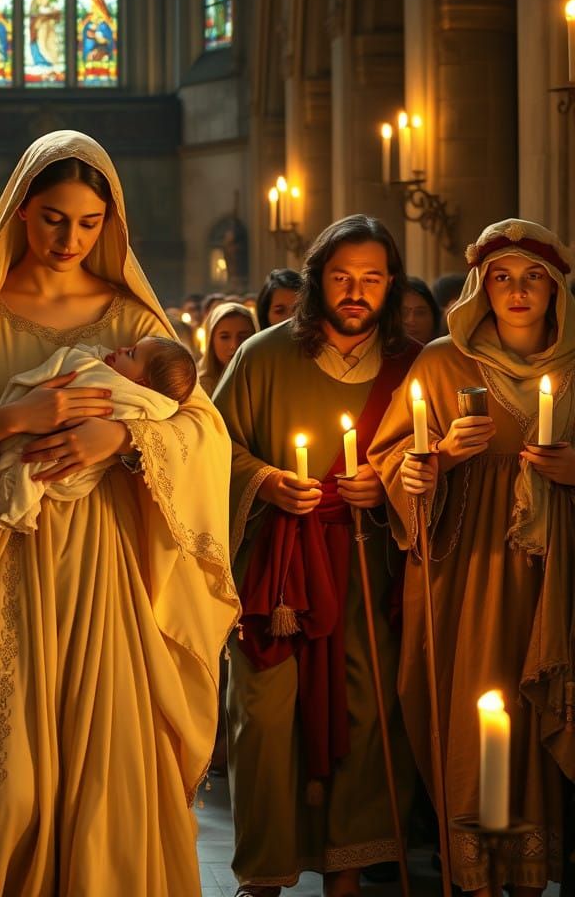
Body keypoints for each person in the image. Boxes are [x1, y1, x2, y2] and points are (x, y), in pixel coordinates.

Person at [0, 131, 239, 895]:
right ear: (20, 215)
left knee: (110, 776)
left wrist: (126, 434)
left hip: (105, 571)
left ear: (112, 223)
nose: (70, 239)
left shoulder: (134, 323)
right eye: (53, 219)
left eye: (90, 221)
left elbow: (203, 431)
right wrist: (8, 419)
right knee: (1, 786)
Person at [213, 215, 421, 897]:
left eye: (371, 278)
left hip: (370, 566)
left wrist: (387, 480)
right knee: (266, 719)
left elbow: (436, 458)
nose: (356, 291)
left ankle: (348, 868)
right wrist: (267, 481)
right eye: (341, 277)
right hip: (279, 569)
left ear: (391, 284)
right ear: (317, 282)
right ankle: (264, 874)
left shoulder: (412, 366)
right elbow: (211, 446)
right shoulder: (264, 356)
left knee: (367, 710)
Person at [369, 219, 575, 894]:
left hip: (556, 574)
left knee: (540, 706)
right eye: (502, 277)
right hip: (470, 574)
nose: (518, 291)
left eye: (533, 276)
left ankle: (535, 866)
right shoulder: (442, 362)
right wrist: (436, 461)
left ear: (557, 289)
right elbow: (393, 456)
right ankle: (479, 870)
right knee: (479, 709)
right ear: (482, 288)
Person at [0, 335, 198, 532]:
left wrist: (121, 437)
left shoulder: (148, 384)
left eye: (131, 353)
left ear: (143, 384)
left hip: (97, 518)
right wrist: (15, 416)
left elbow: (192, 432)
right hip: (24, 439)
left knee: (32, 467)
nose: (122, 349)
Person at [198, 301, 257, 396]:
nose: (234, 345)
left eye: (243, 337)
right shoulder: (198, 388)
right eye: (225, 337)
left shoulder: (264, 382)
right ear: (211, 341)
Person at [402, 275, 441, 345]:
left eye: (420, 313)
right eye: (403, 313)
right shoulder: (377, 354)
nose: (411, 320)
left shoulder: (447, 353)